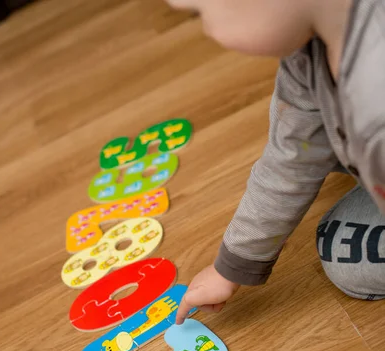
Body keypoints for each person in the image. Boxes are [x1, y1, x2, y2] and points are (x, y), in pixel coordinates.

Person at [164, 0, 385, 324]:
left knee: (347, 258)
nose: (209, 32)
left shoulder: (376, 98)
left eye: (200, 13)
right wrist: (233, 264)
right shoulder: (308, 51)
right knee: (297, 120)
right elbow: (290, 158)